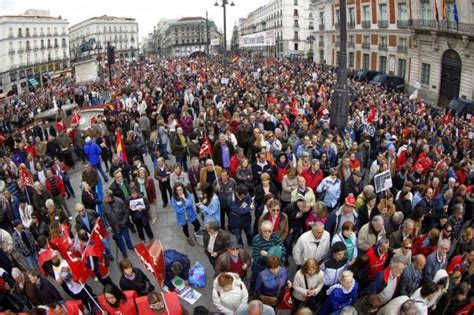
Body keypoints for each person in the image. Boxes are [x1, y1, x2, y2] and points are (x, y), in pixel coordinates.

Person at [103, 190, 134, 258]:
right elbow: (105, 216)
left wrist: (124, 221)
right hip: (114, 227)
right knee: (119, 241)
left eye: (107, 197)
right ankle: (124, 252)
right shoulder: (104, 204)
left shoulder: (120, 202)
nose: (105, 199)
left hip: (123, 225)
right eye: (105, 197)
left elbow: (126, 211)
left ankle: (130, 246)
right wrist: (108, 226)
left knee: (127, 237)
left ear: (111, 197)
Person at [171, 182, 201, 246]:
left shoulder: (187, 194)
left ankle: (195, 233)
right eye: (178, 190)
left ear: (183, 189)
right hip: (182, 216)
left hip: (190, 213)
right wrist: (185, 206)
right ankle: (188, 238)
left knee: (198, 225)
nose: (180, 191)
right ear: (175, 191)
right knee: (185, 227)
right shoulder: (173, 198)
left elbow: (190, 204)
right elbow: (177, 210)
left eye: (181, 189)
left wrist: (184, 198)